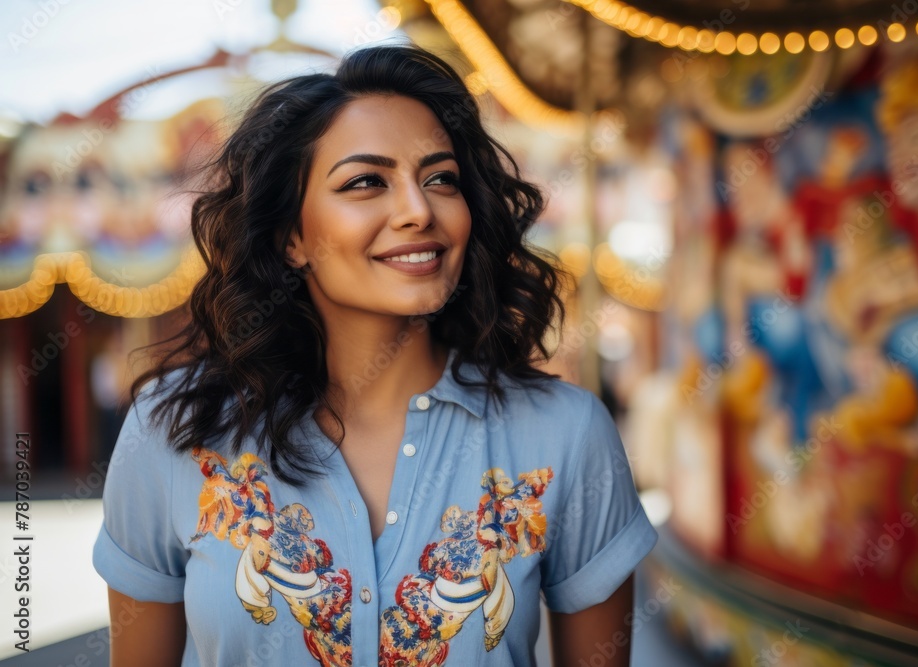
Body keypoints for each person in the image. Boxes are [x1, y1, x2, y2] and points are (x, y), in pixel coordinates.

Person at [91, 44, 659, 667]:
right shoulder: (174, 432)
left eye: (441, 179)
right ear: (291, 237)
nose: (419, 210)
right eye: (366, 182)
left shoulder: (564, 435)